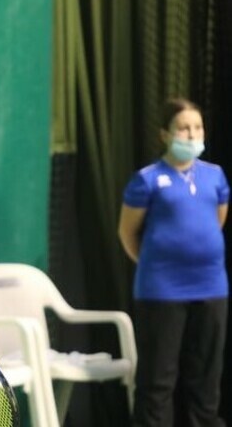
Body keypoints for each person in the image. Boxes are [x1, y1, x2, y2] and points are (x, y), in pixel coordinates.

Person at [118, 98, 229, 427]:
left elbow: (217, 221)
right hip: (161, 291)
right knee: (157, 380)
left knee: (206, 378)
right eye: (183, 128)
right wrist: (159, 265)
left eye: (197, 127)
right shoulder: (147, 179)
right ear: (165, 134)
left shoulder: (215, 176)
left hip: (211, 287)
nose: (192, 134)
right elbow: (127, 233)